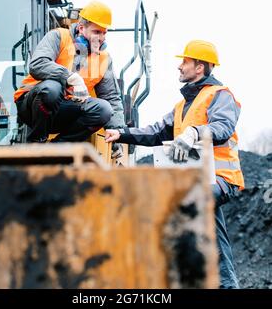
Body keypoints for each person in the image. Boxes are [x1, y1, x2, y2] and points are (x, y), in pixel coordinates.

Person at [105, 40, 244, 289]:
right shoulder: (182, 106)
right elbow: (156, 132)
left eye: (185, 62)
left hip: (222, 179)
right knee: (210, 224)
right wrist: (122, 134)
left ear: (200, 67)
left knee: (183, 204)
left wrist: (193, 132)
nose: (179, 66)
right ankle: (223, 284)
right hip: (199, 180)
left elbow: (222, 128)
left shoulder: (221, 96)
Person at [14, 1, 125, 146]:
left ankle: (58, 148)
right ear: (81, 28)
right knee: (52, 89)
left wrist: (117, 134)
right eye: (97, 32)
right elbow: (38, 64)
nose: (101, 38)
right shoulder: (59, 37)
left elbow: (110, 96)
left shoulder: (104, 58)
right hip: (33, 107)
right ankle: (36, 143)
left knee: (104, 109)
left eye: (104, 33)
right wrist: (70, 77)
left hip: (66, 110)